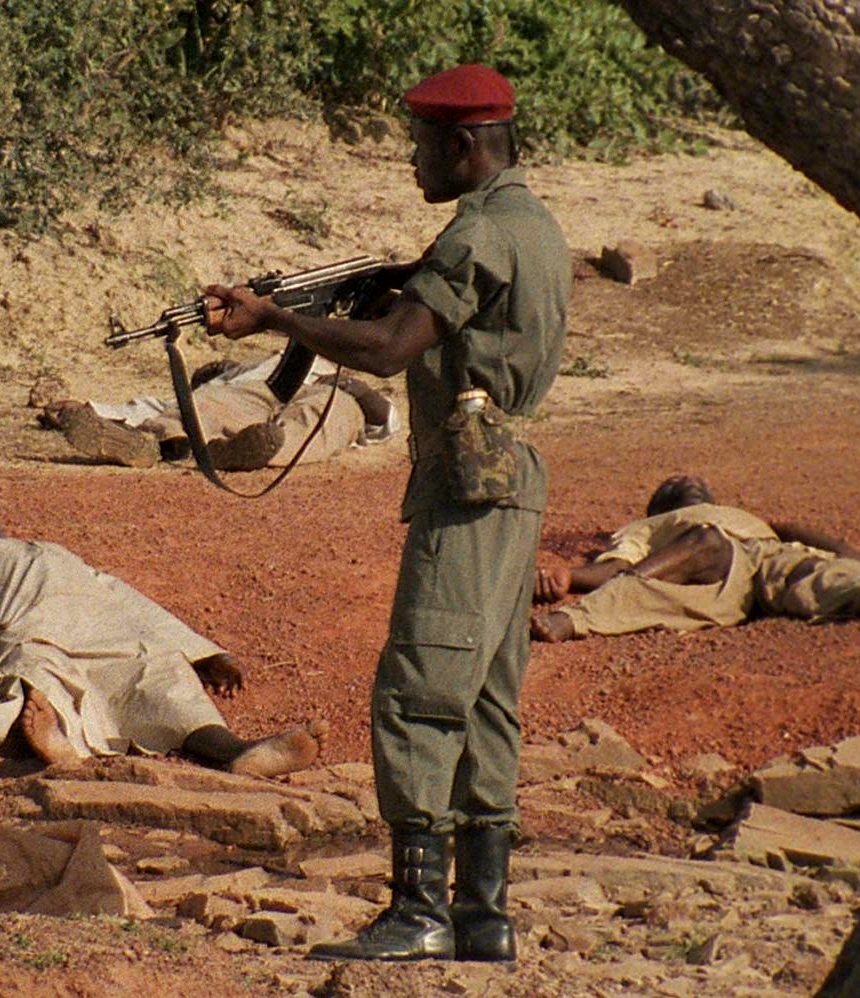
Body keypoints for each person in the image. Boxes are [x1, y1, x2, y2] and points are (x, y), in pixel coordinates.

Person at [204, 65, 570, 962]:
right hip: (509, 479)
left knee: (418, 692)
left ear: (462, 145)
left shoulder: (479, 233)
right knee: (483, 698)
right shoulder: (533, 225)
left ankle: (418, 914)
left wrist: (275, 322)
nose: (410, 160)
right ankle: (482, 917)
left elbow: (387, 348)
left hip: (469, 489)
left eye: (418, 144)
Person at [0, 515, 328, 778]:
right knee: (37, 673)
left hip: (106, 633)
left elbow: (130, 600)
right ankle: (56, 744)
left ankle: (237, 752)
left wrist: (205, 652)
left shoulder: (54, 552)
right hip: (32, 631)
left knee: (163, 673)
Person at [530, 474, 860, 642]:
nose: (687, 479)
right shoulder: (651, 527)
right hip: (708, 566)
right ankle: (576, 619)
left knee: (812, 569)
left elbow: (842, 550)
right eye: (675, 484)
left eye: (695, 483)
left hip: (767, 555)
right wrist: (572, 575)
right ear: (660, 507)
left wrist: (785, 527)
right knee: (703, 544)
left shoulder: (746, 519)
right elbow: (619, 565)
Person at [49, 352, 400, 470]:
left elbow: (386, 420)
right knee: (201, 406)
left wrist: (358, 390)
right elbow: (162, 405)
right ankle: (151, 443)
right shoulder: (239, 375)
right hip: (255, 393)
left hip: (328, 389)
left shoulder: (324, 366)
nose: (216, 364)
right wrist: (91, 409)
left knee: (327, 415)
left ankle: (260, 451)